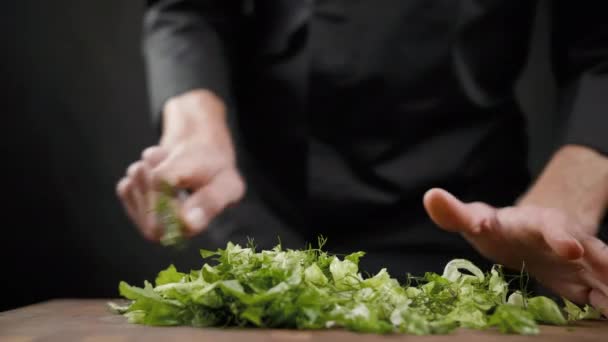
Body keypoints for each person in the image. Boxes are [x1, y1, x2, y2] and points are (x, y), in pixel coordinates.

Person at [116, 1, 608, 314]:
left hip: (464, 232)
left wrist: (566, 210)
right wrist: (194, 135)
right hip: (258, 217)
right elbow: (190, 9)